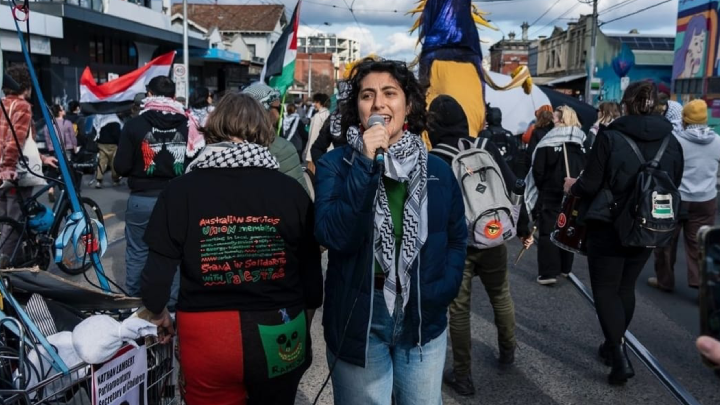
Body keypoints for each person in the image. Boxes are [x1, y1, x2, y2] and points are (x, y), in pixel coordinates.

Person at [141, 92, 322, 404]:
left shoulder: (180, 190)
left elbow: (155, 281)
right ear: (264, 132)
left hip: (208, 336)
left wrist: (159, 314)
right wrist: (302, 323)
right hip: (279, 326)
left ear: (213, 130)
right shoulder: (291, 191)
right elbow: (312, 279)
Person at [314, 58, 467, 405]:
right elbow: (334, 235)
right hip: (360, 319)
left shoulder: (439, 171)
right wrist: (366, 163)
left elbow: (457, 237)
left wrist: (443, 288)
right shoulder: (335, 166)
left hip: (422, 317)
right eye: (367, 95)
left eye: (389, 93)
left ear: (408, 104)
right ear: (357, 107)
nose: (379, 103)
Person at [565, 81, 683, 385]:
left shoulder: (610, 136)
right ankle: (611, 345)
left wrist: (571, 187)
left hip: (609, 223)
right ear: (656, 105)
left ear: (626, 104)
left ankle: (618, 355)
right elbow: (675, 182)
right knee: (625, 287)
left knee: (605, 289)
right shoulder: (671, 141)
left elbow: (590, 184)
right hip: (648, 225)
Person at [426, 95, 533, 396]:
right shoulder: (485, 146)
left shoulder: (435, 157)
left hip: (457, 245)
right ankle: (508, 350)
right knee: (500, 294)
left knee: (459, 309)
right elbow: (512, 186)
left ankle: (463, 376)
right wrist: (523, 227)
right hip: (493, 234)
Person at [114, 76, 195, 305]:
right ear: (173, 96)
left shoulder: (134, 125)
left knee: (138, 251)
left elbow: (121, 166)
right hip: (177, 200)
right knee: (175, 254)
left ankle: (134, 303)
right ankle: (170, 306)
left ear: (149, 94)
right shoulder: (189, 124)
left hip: (142, 198)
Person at [651, 99, 720, 292]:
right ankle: (700, 282)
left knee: (665, 240)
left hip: (676, 199)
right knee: (700, 243)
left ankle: (664, 281)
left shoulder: (676, 142)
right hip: (706, 200)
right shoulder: (717, 141)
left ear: (685, 119)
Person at [0, 66, 55, 265]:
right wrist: (8, 168)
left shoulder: (2, 104)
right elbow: (16, 141)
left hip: (3, 171)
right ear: (26, 85)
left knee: (4, 219)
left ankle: (20, 260)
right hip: (14, 172)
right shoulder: (22, 106)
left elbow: (23, 143)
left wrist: (41, 157)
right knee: (15, 223)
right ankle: (7, 270)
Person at [526, 105, 586, 285]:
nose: (553, 120)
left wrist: (542, 187)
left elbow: (538, 169)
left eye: (556, 118)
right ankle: (565, 268)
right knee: (568, 226)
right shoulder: (582, 140)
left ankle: (548, 272)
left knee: (548, 231)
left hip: (551, 190)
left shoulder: (549, 140)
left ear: (562, 119)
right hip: (576, 192)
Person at [242, 83, 309, 195]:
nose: (279, 114)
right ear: (263, 110)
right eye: (276, 108)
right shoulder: (282, 149)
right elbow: (301, 197)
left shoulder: (220, 145)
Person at [42, 104, 77, 201]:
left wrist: (50, 148)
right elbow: (72, 136)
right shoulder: (67, 123)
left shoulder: (48, 125)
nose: (64, 110)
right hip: (66, 149)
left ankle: (51, 189)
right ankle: (69, 191)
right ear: (60, 112)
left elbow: (47, 138)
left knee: (52, 170)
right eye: (62, 109)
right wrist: (74, 146)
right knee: (68, 170)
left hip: (53, 150)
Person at [479, 106, 522, 177]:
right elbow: (516, 156)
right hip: (508, 173)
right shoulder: (509, 134)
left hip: (491, 174)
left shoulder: (484, 134)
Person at [93, 113, 123, 188]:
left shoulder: (100, 118)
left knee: (101, 162)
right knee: (114, 162)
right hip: (113, 144)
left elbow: (95, 131)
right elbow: (117, 134)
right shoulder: (115, 120)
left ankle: (98, 180)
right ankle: (115, 180)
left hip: (102, 143)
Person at [304, 93, 330, 167]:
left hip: (315, 152)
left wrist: (309, 153)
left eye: (315, 102)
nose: (314, 104)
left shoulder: (318, 116)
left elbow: (313, 135)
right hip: (327, 152)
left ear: (319, 102)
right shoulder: (328, 114)